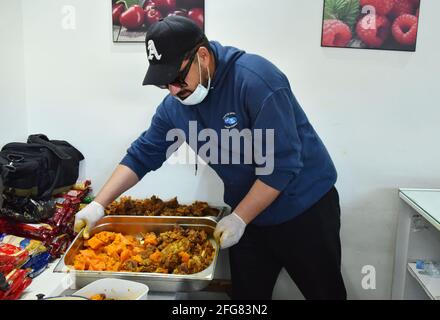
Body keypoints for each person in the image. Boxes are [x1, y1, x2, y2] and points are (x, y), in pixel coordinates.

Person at [74, 16, 346, 300]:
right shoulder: (175, 106)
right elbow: (143, 154)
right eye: (164, 84)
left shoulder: (256, 81)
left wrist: (240, 218)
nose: (174, 90)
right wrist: (99, 205)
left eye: (177, 79)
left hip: (304, 210)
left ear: (202, 56)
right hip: (248, 216)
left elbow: (281, 166)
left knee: (324, 293)